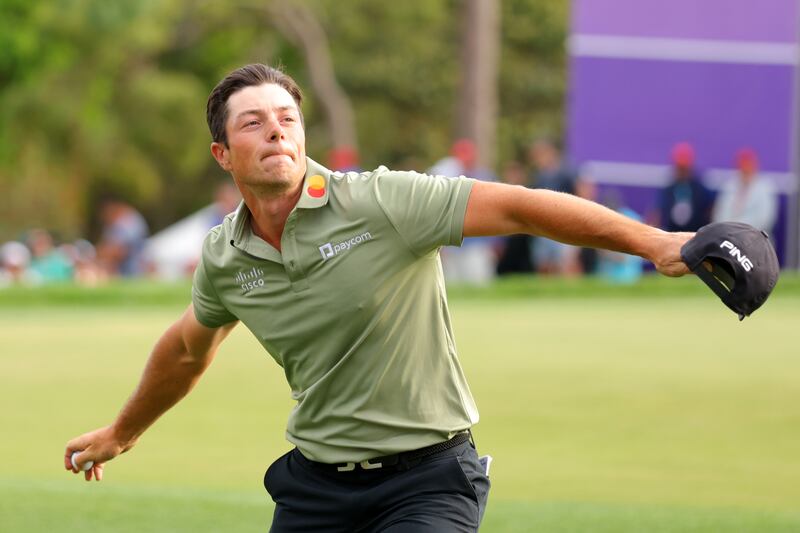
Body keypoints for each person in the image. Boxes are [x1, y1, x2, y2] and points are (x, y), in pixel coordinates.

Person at [65, 64, 691, 533]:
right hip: (315, 490)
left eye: (287, 119)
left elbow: (522, 208)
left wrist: (656, 243)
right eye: (253, 123)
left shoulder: (382, 201)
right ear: (223, 155)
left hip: (428, 482)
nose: (276, 132)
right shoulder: (225, 256)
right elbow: (184, 350)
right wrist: (124, 431)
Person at [429, 138, 498, 285]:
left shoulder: (484, 177)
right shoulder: (446, 176)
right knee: (452, 285)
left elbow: (495, 211)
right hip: (451, 243)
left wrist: (495, 242)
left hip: (477, 243)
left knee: (479, 283)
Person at [527, 138, 582, 275]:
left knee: (566, 264)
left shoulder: (565, 172)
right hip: (543, 227)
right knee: (544, 264)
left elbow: (579, 193)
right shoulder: (539, 176)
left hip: (564, 225)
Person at [712, 148, 777, 233]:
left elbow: (765, 220)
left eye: (748, 165)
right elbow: (719, 215)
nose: (745, 168)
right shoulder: (729, 186)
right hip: (728, 237)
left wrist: (739, 230)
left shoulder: (765, 188)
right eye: (742, 165)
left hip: (756, 239)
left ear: (754, 165)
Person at [656, 142, 715, 233]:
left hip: (695, 236)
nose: (681, 171)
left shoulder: (701, 191)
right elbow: (657, 214)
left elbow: (710, 213)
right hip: (671, 235)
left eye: (683, 168)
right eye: (679, 167)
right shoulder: (668, 190)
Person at [96, 197, 150, 277]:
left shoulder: (130, 221)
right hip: (123, 272)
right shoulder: (112, 224)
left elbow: (121, 250)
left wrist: (101, 255)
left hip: (134, 272)